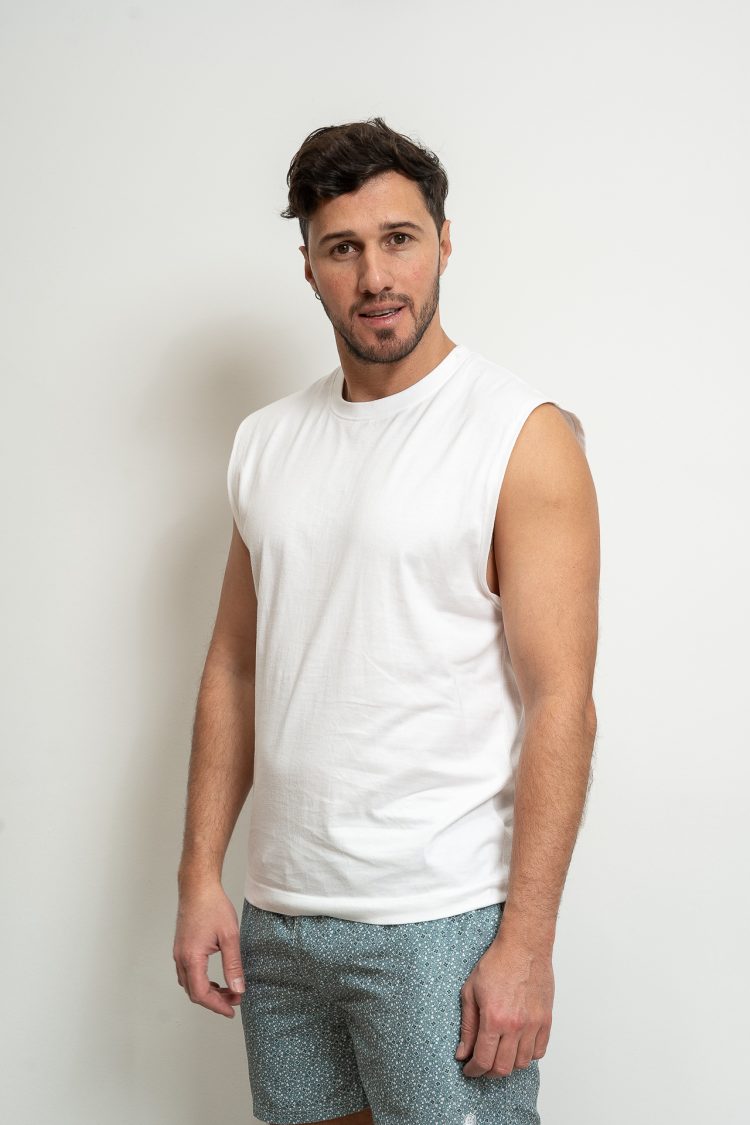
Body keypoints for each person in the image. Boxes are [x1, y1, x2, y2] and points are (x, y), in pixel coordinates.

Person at [173, 117, 600, 1125]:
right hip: (282, 919)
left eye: (399, 239)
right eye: (343, 248)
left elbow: (563, 702)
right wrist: (200, 876)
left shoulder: (518, 436)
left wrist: (527, 944)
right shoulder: (266, 442)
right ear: (309, 267)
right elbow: (235, 667)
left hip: (436, 920)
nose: (375, 277)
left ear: (443, 242)